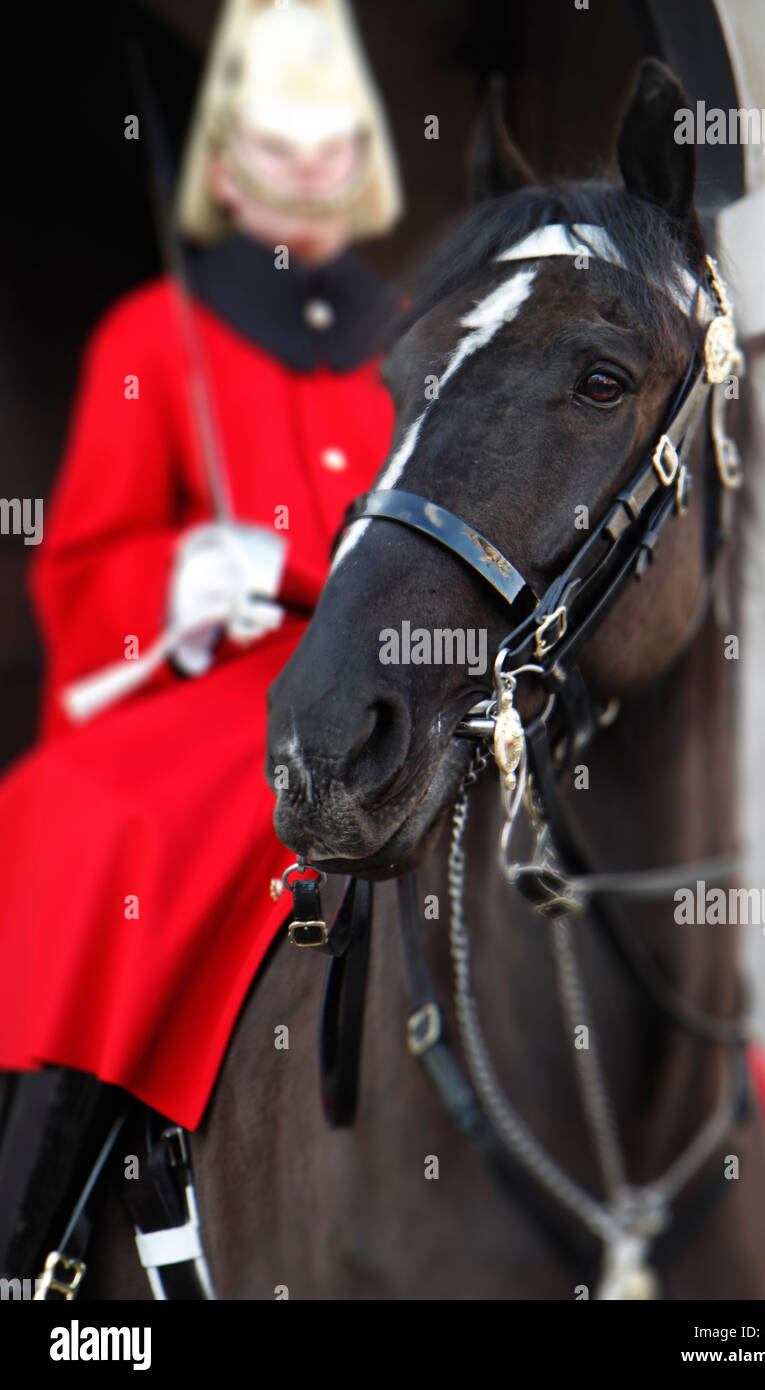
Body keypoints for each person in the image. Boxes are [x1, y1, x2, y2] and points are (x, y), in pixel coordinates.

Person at [0, 0, 402, 1133]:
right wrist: (177, 579)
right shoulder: (152, 340)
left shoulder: (418, 333)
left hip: (394, 676)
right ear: (228, 170)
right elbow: (83, 567)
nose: (314, 182)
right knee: (80, 812)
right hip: (227, 682)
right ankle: (46, 1210)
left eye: (336, 155)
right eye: (284, 156)